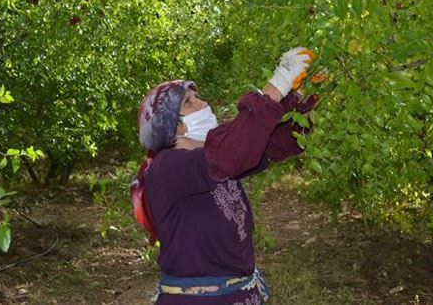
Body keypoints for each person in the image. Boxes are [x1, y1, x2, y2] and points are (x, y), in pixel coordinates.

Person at [131, 47, 319, 304]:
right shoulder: (167, 167)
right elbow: (229, 152)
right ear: (174, 125)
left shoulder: (212, 157)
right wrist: (276, 87)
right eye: (189, 102)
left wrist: (302, 96)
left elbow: (269, 143)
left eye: (199, 97)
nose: (203, 104)